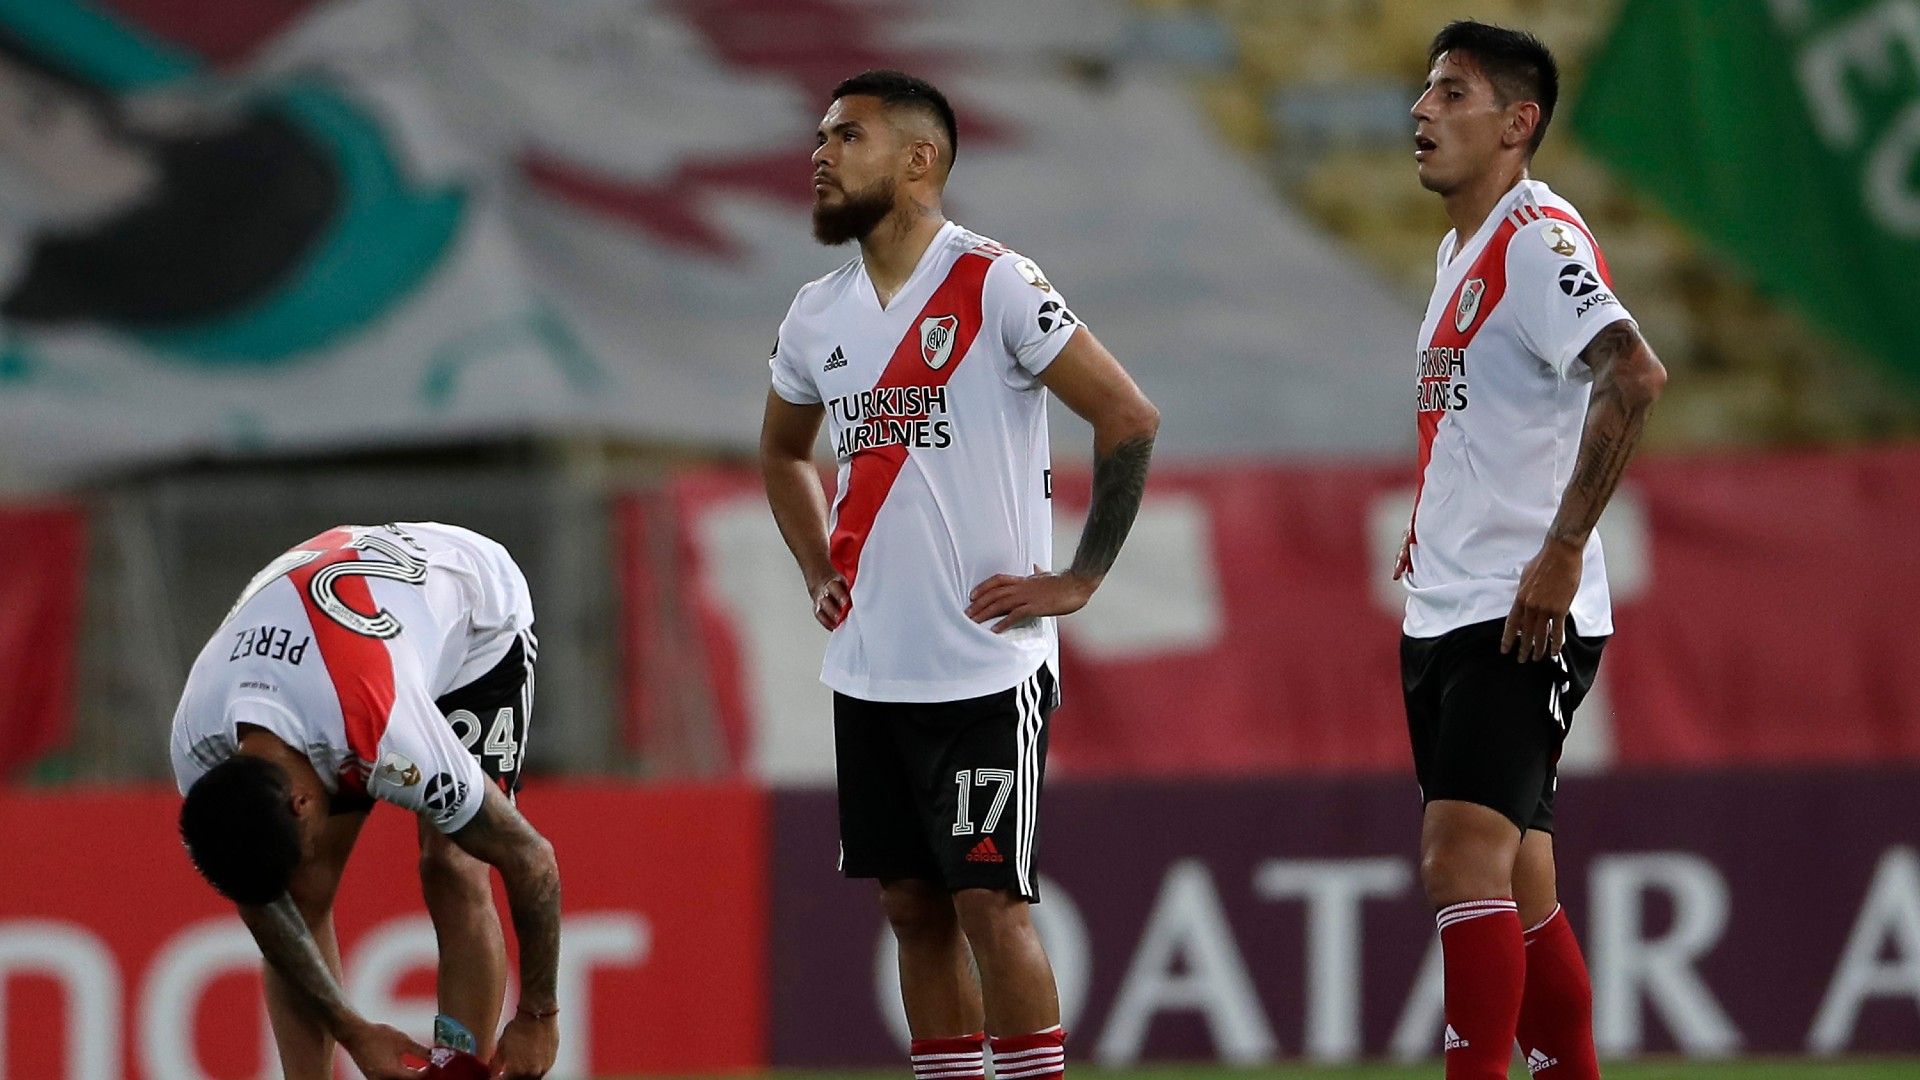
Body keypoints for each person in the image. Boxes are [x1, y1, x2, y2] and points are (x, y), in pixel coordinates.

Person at [760, 70, 1158, 1080]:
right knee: (910, 906)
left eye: (846, 135)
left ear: (918, 161)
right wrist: (817, 566)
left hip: (985, 669)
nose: (820, 153)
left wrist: (1080, 578)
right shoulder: (816, 315)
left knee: (991, 901)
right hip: (872, 667)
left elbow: (1127, 416)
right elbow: (781, 451)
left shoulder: (995, 283)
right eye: (819, 136)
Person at [1395, 21, 1668, 1080]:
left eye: (1452, 94)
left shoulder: (1534, 239)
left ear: (1519, 124)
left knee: (1458, 857)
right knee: (1523, 886)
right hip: (1449, 602)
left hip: (1520, 613)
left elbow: (1632, 373)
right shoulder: (1459, 250)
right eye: (1424, 93)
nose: (1421, 111)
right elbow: (1484, 423)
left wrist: (1560, 552)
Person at [172, 522, 559, 1080]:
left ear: (304, 803)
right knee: (300, 897)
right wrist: (355, 1033)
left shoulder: (386, 737)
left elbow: (532, 858)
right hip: (343, 646)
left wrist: (538, 1016)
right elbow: (270, 911)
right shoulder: (197, 746)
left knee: (453, 863)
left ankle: (457, 1071)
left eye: (300, 843)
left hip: (474, 623)